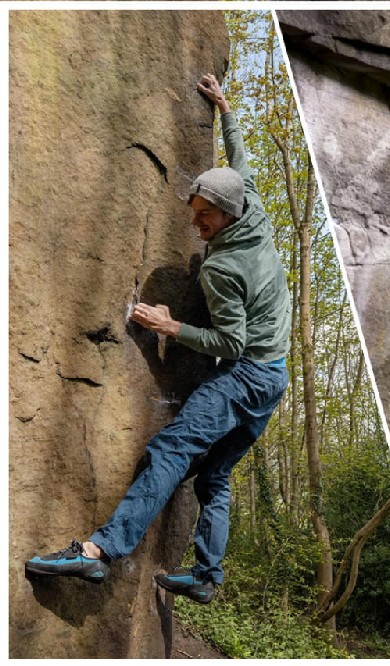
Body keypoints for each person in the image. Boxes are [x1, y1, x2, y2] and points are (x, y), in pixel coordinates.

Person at [25, 73, 292, 602]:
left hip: (245, 374)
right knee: (214, 476)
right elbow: (242, 161)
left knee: (171, 448)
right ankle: (208, 578)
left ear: (228, 213)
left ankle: (98, 552)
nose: (198, 226)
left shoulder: (222, 272)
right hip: (276, 378)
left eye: (206, 218)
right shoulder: (252, 204)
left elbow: (231, 344)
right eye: (194, 214)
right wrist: (225, 107)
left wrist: (171, 327)